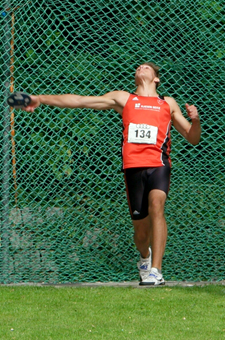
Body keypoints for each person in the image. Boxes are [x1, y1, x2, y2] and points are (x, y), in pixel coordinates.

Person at [22, 62, 201, 285]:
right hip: (133, 168)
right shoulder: (124, 99)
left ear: (157, 78)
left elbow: (192, 137)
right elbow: (80, 101)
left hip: (159, 165)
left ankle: (156, 270)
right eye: (138, 67)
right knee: (140, 234)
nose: (141, 68)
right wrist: (40, 99)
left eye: (146, 67)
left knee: (157, 205)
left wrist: (195, 120)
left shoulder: (167, 103)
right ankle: (145, 257)